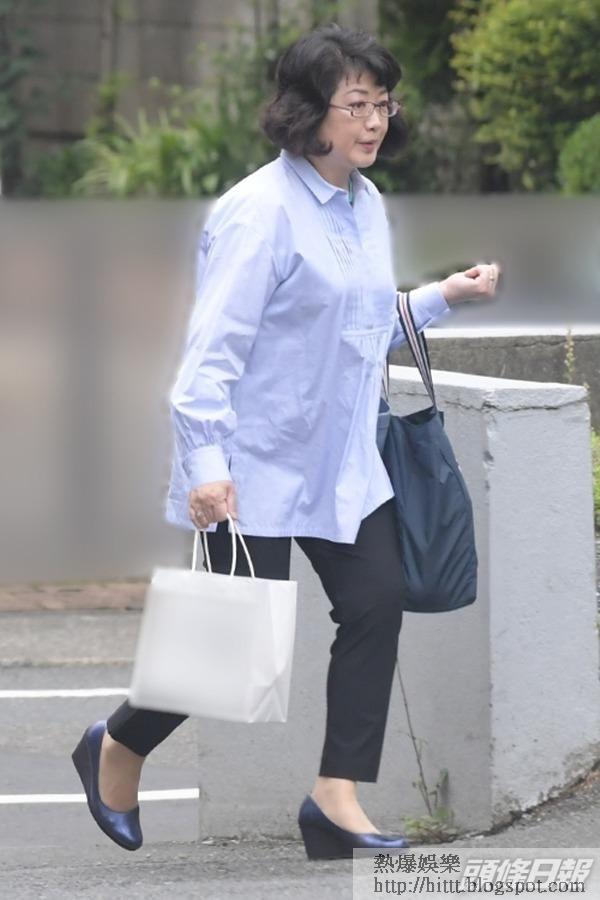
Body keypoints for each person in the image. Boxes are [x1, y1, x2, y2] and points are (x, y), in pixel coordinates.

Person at [72, 23, 499, 860]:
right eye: (356, 104)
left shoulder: (365, 206)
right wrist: (206, 466)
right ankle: (115, 744)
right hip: (254, 464)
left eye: (383, 103)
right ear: (309, 111)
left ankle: (335, 798)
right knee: (228, 652)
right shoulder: (258, 213)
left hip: (342, 462)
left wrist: (442, 296)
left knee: (377, 603)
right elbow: (208, 359)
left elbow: (357, 331)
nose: (373, 121)